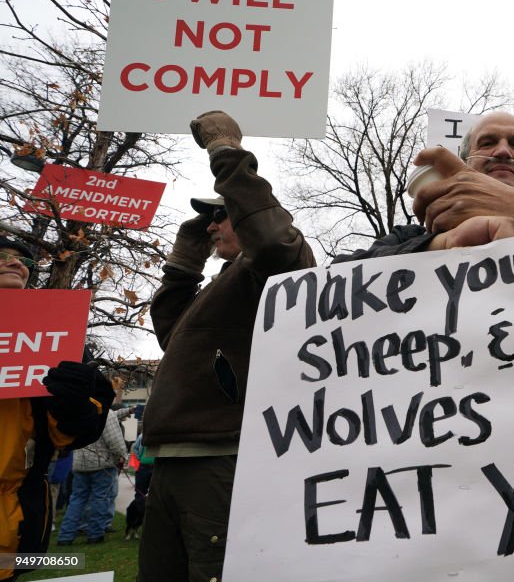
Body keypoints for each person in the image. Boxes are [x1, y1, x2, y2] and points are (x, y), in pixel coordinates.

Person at [137, 111, 315, 582]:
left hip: (222, 455)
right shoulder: (221, 283)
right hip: (172, 458)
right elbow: (171, 335)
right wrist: (184, 260)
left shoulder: (271, 271)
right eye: (207, 219)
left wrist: (226, 153)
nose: (211, 224)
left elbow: (274, 239)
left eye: (222, 214)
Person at [0, 236, 114, 581]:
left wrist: (75, 405)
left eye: (24, 261)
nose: (15, 263)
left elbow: (69, 434)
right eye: (1, 256)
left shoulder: (55, 335)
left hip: (13, 516)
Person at [335, 111, 514, 262]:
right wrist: (443, 245)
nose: (502, 151)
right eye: (488, 143)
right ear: (464, 164)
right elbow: (336, 283)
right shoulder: (407, 238)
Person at [54, 403, 127, 546]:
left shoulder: (78, 411)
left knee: (77, 499)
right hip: (102, 464)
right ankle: (95, 534)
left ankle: (65, 536)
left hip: (80, 463)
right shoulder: (107, 414)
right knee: (100, 499)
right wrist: (122, 455)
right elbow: (114, 441)